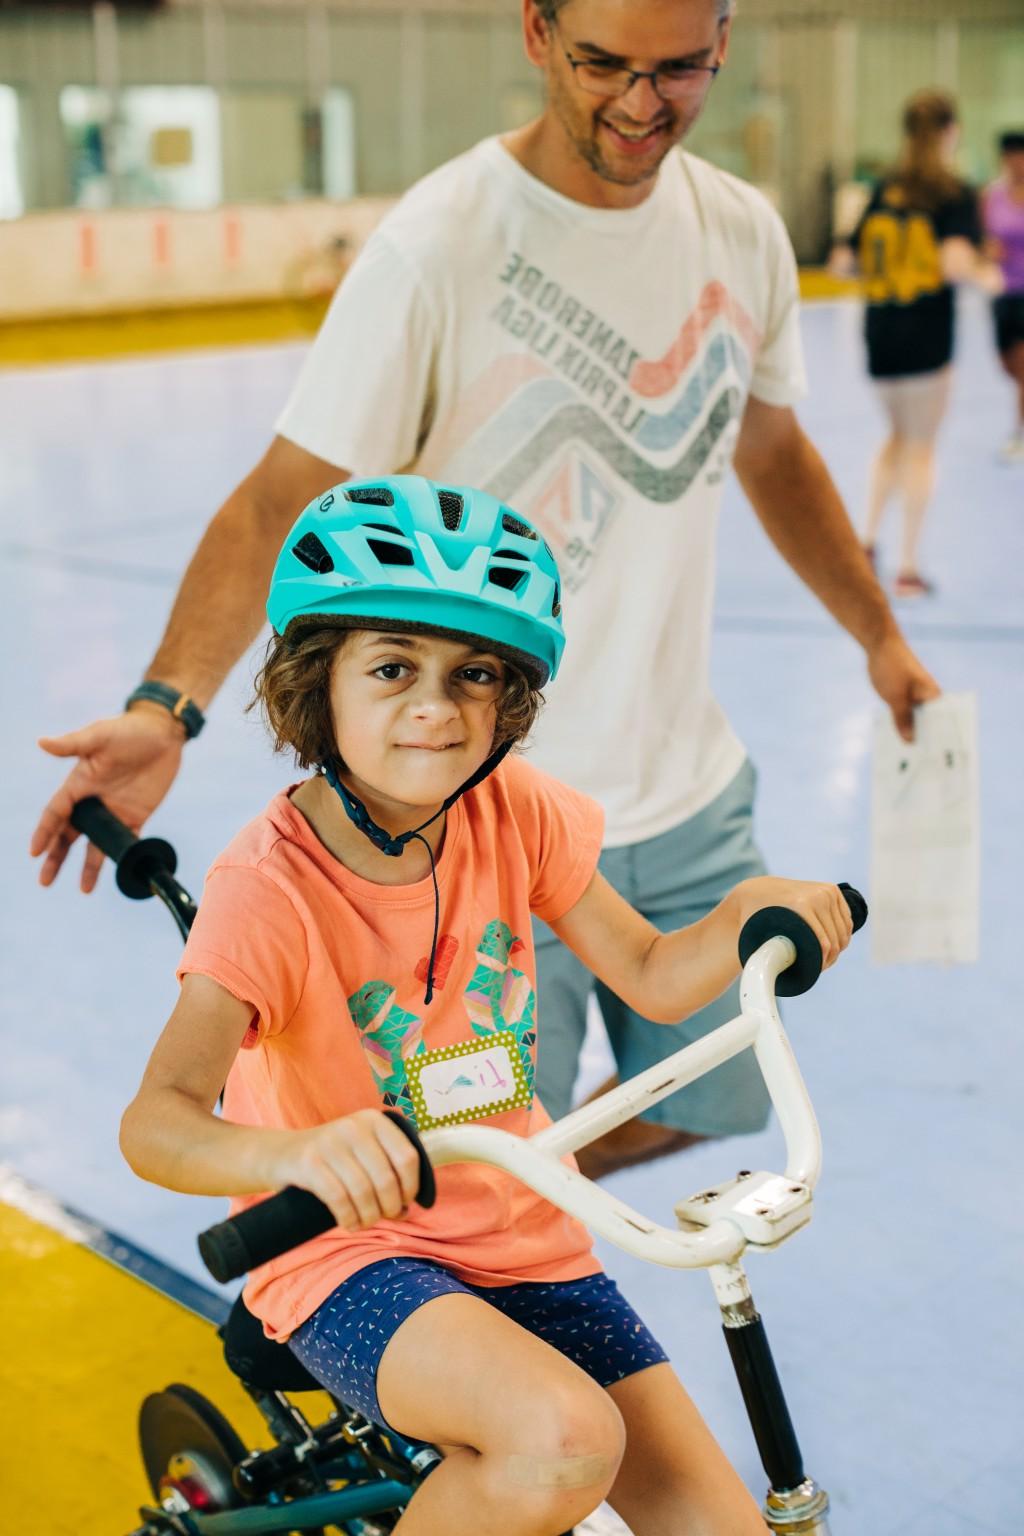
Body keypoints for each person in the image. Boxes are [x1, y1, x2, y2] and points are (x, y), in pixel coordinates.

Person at [33, 0, 935, 1179]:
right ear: (534, 34)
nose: (637, 102)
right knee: (466, 1162)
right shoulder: (442, 246)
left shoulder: (742, 232)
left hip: (689, 796)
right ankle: (481, 1225)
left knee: (707, 1109)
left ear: (722, 43)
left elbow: (771, 452)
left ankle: (519, 1203)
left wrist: (877, 632)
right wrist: (167, 706)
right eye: (600, 62)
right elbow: (275, 505)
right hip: (487, 821)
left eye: (678, 70)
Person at [119, 476, 853, 1536]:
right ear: (313, 685)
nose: (435, 706)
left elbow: (647, 970)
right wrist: (290, 1156)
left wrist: (744, 911)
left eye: (474, 675)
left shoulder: (511, 811)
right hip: (350, 1256)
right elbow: (158, 1122)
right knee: (564, 1442)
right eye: (389, 669)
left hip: (526, 1237)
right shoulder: (266, 890)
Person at [836, 90, 1000, 598]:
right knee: (921, 448)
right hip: (926, 338)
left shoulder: (884, 188)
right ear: (951, 131)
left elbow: (845, 261)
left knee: (894, 439)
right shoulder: (953, 193)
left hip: (880, 335)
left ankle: (864, 541)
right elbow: (955, 263)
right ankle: (908, 566)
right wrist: (986, 274)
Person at [982, 129, 1024, 463]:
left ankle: (1020, 433)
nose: (1016, 162)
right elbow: (981, 238)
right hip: (1002, 292)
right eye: (1010, 155)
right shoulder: (992, 197)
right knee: (1007, 366)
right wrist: (988, 251)